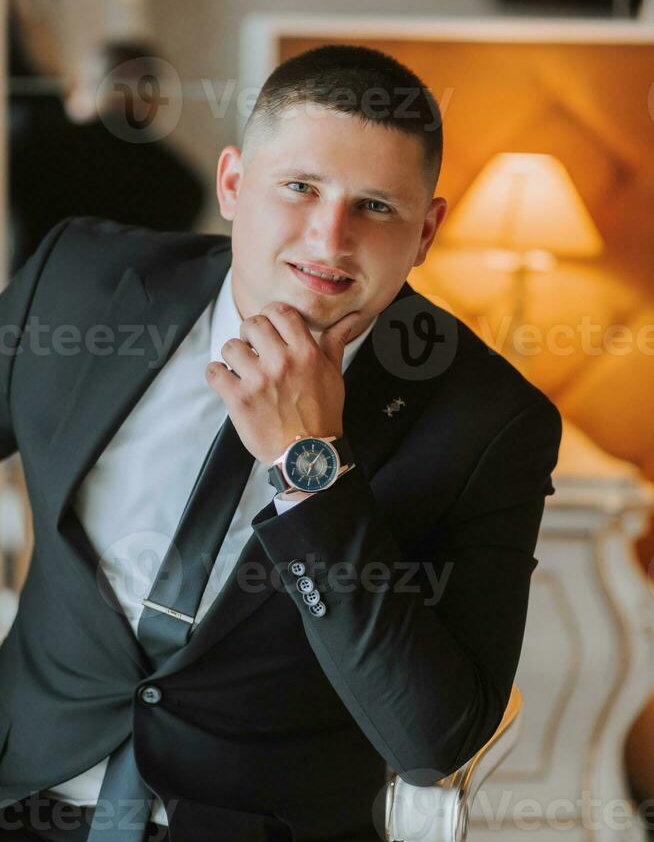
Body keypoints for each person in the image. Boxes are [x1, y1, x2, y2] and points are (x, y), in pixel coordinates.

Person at [0, 44, 562, 842]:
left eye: (376, 207)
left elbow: (434, 741)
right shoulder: (78, 284)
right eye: (299, 188)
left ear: (428, 230)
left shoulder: (492, 421)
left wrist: (312, 471)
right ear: (233, 184)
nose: (329, 240)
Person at [9, 39, 205, 276]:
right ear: (155, 101)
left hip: (35, 304)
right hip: (124, 312)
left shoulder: (38, 147)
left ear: (85, 86)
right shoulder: (184, 185)